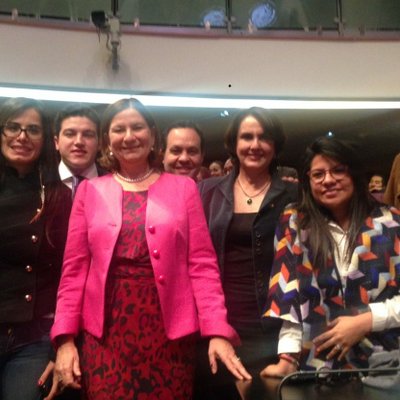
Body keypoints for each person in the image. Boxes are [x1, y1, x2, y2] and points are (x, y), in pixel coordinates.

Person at [46, 98, 250, 400]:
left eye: (137, 127)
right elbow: (74, 271)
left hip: (170, 336)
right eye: (119, 129)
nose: (129, 136)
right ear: (107, 139)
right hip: (105, 336)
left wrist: (217, 329)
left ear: (153, 135)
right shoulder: (90, 191)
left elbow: (202, 265)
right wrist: (64, 340)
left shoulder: (183, 189)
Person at [262, 137, 400, 378]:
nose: (328, 180)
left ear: (354, 174)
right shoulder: (296, 224)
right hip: (319, 365)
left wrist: (367, 320)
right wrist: (288, 358)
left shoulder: (391, 223)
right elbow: (289, 296)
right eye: (318, 174)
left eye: (338, 170)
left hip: (386, 364)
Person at [195, 107, 297, 397]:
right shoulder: (206, 192)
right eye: (246, 137)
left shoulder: (294, 196)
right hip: (216, 325)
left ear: (275, 145)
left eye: (263, 137)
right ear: (234, 144)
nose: (255, 145)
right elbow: (196, 260)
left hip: (272, 330)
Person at [0, 97, 71, 399]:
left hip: (33, 338)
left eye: (32, 129)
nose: (22, 136)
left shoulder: (59, 196)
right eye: (13, 127)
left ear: (45, 140)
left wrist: (61, 346)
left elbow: (70, 274)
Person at [53, 105, 105, 196]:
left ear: (100, 143)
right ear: (57, 142)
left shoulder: (116, 186)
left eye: (88, 135)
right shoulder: (39, 183)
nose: (79, 142)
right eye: (70, 134)